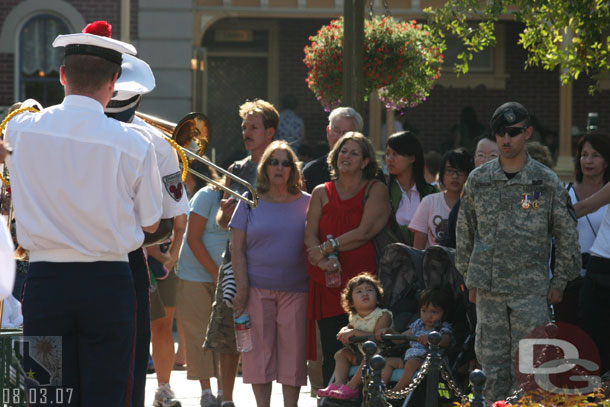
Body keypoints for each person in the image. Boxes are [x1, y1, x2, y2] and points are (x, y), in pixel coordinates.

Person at [6, 24, 163, 405]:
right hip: (108, 283)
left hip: (45, 283)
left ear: (62, 76)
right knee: (109, 395)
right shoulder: (134, 142)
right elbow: (152, 225)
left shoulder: (20, 129)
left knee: (47, 395)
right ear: (114, 82)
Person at [456, 101, 581, 403]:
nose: (506, 140)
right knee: (491, 367)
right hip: (488, 290)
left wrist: (560, 281)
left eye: (513, 132)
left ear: (528, 133)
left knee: (530, 368)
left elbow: (566, 236)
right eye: (500, 133)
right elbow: (465, 232)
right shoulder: (479, 179)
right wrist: (469, 278)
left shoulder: (546, 182)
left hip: (530, 291)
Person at [104, 52, 189, 407]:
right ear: (138, 98)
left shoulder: (48, 131)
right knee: (129, 361)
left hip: (59, 268)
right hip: (126, 262)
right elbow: (168, 220)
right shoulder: (155, 143)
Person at [203, 99, 278, 407]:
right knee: (227, 332)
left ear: (270, 132)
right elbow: (222, 222)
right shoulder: (235, 169)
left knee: (270, 335)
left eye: (254, 127)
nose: (246, 133)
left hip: (270, 260)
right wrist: (225, 212)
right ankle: (228, 400)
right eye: (244, 127)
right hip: (235, 260)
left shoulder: (282, 165)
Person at [304, 132, 391, 386]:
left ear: (365, 161)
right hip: (328, 282)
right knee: (333, 350)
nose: (346, 156)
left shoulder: (375, 189)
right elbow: (309, 234)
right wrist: (321, 260)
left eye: (354, 152)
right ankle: (334, 399)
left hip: (363, 286)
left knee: (366, 349)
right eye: (343, 151)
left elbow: (364, 232)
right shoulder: (321, 191)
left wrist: (329, 245)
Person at [230, 141, 310, 407]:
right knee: (258, 357)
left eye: (285, 163)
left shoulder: (309, 203)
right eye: (273, 162)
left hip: (297, 289)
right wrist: (242, 289)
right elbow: (236, 248)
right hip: (255, 290)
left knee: (294, 356)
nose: (279, 167)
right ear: (264, 167)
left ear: (293, 169)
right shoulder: (249, 201)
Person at [176, 159, 224, 407]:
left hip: (222, 277)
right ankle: (207, 392)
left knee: (225, 337)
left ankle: (224, 392)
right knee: (198, 335)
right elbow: (193, 239)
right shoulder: (207, 196)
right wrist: (216, 273)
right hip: (195, 276)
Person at [555, 134, 610, 327]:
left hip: (600, 274)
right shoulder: (564, 191)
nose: (588, 160)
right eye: (584, 155)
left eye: (595, 155)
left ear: (606, 161)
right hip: (569, 277)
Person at [317, 273, 392, 400]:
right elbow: (349, 328)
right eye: (359, 291)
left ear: (378, 298)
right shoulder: (354, 317)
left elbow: (378, 337)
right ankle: (338, 383)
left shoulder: (383, 315)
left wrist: (356, 333)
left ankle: (352, 387)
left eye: (369, 290)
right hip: (358, 353)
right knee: (342, 354)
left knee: (368, 357)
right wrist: (344, 330)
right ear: (351, 302)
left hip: (379, 354)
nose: (365, 293)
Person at [379, 287, 453, 391]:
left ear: (444, 313)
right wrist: (389, 332)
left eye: (434, 312)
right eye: (424, 311)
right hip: (408, 358)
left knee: (412, 362)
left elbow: (446, 341)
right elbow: (400, 339)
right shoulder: (418, 325)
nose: (428, 316)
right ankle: (380, 390)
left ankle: (397, 391)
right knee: (386, 361)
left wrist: (431, 339)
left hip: (429, 361)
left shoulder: (442, 328)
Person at [440, 134, 499, 248]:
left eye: (492, 155)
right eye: (480, 155)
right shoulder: (468, 193)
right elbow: (449, 239)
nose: (485, 161)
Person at [409, 149, 473, 249]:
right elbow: (418, 249)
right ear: (442, 174)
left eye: (460, 171)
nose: (455, 176)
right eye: (449, 171)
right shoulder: (429, 202)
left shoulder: (474, 204)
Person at [385, 131, 438, 246]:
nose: (389, 158)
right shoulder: (382, 191)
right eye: (388, 153)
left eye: (395, 154)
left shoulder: (431, 193)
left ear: (412, 158)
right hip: (391, 258)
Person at [302, 107, 363, 193]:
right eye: (337, 131)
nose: (341, 138)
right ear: (328, 131)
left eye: (347, 133)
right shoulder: (312, 171)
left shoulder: (370, 172)